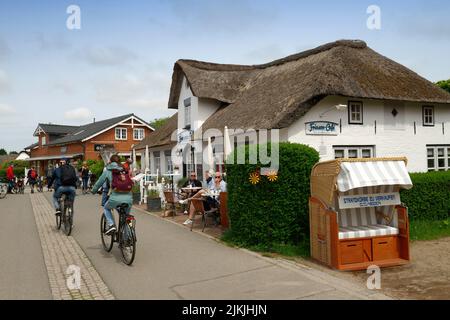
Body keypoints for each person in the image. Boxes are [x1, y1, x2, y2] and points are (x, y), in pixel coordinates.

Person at [92, 154, 133, 235]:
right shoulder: (125, 170)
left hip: (115, 198)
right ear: (119, 162)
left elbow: (99, 183)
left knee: (106, 208)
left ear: (110, 162)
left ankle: (111, 225)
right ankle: (128, 237)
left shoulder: (108, 171)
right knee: (126, 216)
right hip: (129, 198)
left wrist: (93, 191)